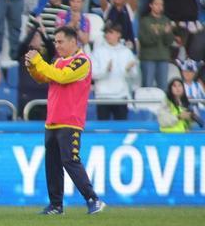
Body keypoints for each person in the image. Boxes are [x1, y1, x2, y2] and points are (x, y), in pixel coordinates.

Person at [25, 26, 106, 215]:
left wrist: (40, 61)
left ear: (73, 42)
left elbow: (62, 77)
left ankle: (93, 199)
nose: (57, 45)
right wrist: (33, 67)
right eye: (55, 41)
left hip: (70, 121)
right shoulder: (58, 61)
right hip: (52, 119)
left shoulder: (82, 61)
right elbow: (44, 77)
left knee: (70, 161)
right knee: (52, 164)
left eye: (60, 41)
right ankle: (56, 205)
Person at [90, 23, 138, 120]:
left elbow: (135, 75)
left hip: (121, 96)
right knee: (102, 130)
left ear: (118, 34)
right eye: (106, 33)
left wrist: (128, 70)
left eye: (111, 32)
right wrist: (106, 71)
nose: (108, 35)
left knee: (121, 129)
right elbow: (92, 74)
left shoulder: (126, 52)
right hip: (103, 96)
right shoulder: (97, 52)